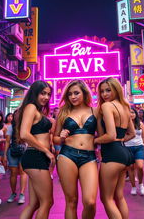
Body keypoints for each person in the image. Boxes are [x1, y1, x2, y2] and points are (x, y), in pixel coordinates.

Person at [54, 80, 99, 219]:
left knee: (90, 202)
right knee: (71, 202)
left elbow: (102, 135)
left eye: (76, 93)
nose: (73, 97)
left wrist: (94, 141)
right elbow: (54, 139)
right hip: (67, 155)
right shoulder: (63, 112)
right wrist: (60, 137)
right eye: (69, 94)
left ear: (84, 93)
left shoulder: (95, 111)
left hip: (89, 157)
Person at [95, 77, 135, 219]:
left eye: (108, 90)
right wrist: (120, 139)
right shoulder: (125, 107)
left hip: (112, 154)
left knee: (107, 199)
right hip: (124, 153)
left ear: (116, 90)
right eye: (102, 91)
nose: (104, 94)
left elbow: (110, 135)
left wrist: (94, 141)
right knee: (119, 197)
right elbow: (132, 133)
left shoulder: (107, 106)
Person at [17, 81, 55, 219]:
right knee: (47, 202)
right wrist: (46, 151)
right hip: (35, 157)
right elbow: (24, 134)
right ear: (34, 93)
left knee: (34, 204)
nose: (46, 97)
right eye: (42, 93)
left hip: (36, 158)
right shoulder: (31, 107)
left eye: (48, 94)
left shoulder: (37, 110)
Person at [3, 110, 27, 205]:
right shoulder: (10, 127)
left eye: (19, 114)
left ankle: (22, 194)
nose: (17, 116)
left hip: (24, 151)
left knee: (22, 171)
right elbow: (7, 141)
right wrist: (4, 154)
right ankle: (13, 193)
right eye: (16, 115)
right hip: (12, 151)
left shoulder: (26, 125)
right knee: (13, 172)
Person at [125, 107, 144, 196]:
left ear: (136, 114)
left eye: (133, 112)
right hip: (127, 147)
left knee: (140, 166)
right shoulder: (124, 124)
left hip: (139, 147)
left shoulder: (140, 124)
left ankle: (141, 184)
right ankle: (133, 186)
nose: (131, 114)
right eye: (129, 112)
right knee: (130, 168)